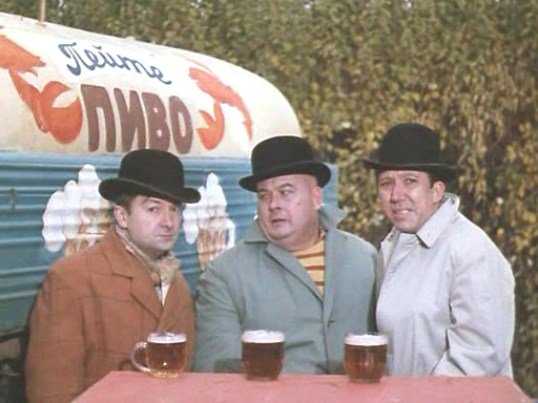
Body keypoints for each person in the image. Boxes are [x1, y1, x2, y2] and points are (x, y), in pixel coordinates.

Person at [25, 149, 200, 403]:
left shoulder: (178, 285)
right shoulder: (72, 280)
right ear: (122, 216)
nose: (168, 222)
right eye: (153, 209)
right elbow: (51, 393)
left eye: (174, 209)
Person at [194, 135, 376, 374]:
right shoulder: (225, 275)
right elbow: (217, 371)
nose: (274, 204)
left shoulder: (364, 258)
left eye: (286, 192)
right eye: (264, 195)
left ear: (316, 197)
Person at [363, 122, 515, 376]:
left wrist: (418, 395)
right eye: (386, 183)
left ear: (436, 191)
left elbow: (478, 357)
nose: (396, 195)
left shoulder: (471, 250)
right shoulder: (392, 245)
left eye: (410, 181)